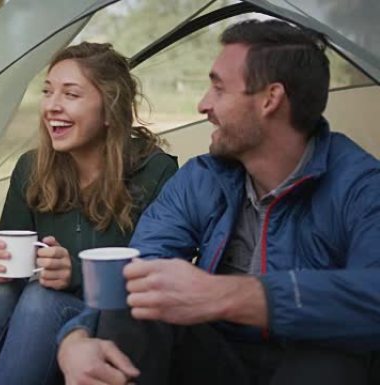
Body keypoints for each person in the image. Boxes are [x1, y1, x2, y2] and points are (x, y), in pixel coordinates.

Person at [57, 20, 380, 385]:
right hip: (216, 360)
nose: (203, 105)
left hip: (308, 362)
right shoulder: (203, 178)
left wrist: (235, 297)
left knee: (330, 361)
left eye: (219, 89)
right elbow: (142, 268)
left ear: (269, 100)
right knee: (139, 308)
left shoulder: (361, 186)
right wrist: (76, 336)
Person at [0, 42, 178, 385]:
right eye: (47, 92)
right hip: (34, 327)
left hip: (111, 320)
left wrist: (75, 273)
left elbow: (156, 276)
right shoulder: (32, 168)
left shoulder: (156, 172)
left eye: (71, 95)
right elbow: (11, 264)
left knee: (41, 299)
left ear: (109, 110)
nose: (52, 106)